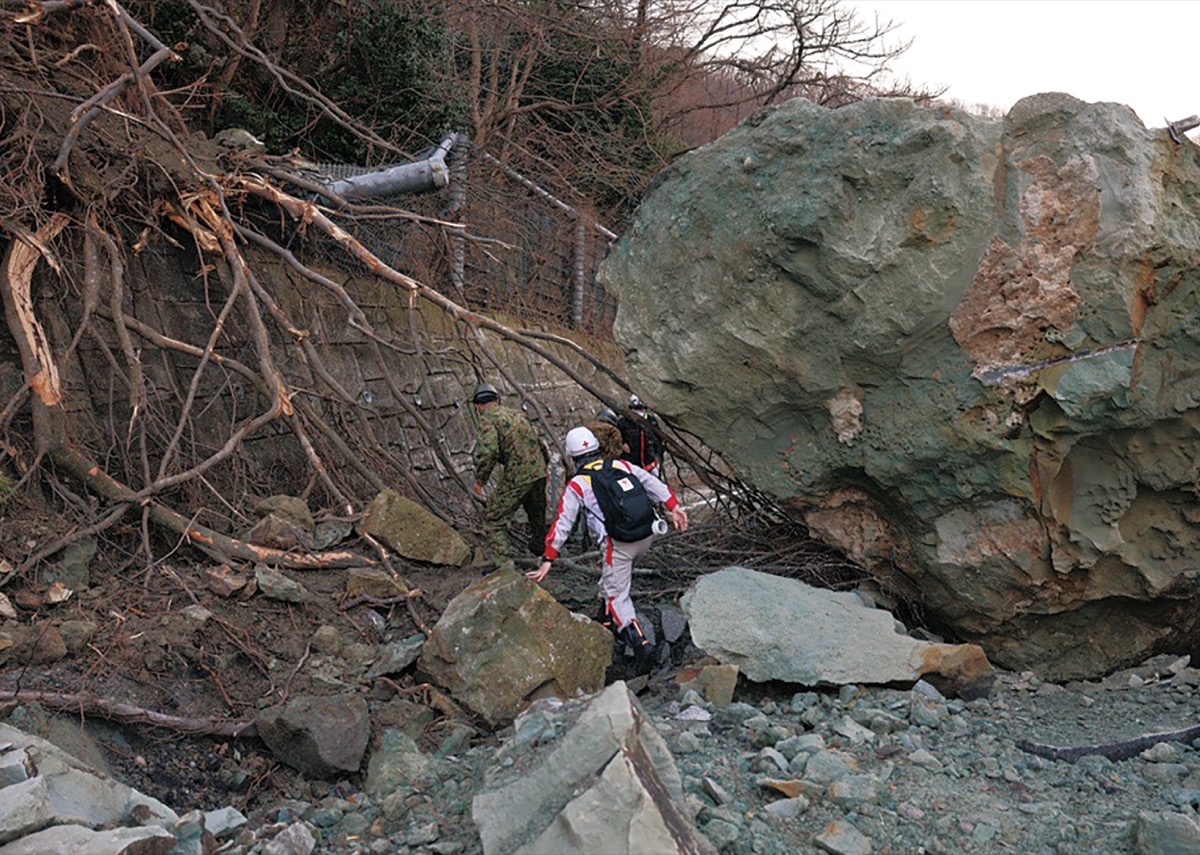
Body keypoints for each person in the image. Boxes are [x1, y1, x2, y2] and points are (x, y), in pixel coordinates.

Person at [528, 426, 687, 673]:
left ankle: (641, 643)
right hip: (647, 534)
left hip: (619, 544)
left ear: (572, 457)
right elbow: (653, 483)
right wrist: (675, 507)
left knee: (617, 595)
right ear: (596, 448)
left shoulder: (578, 484)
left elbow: (563, 523)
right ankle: (604, 619)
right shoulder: (621, 466)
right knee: (610, 576)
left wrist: (549, 557)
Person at [470, 382, 549, 573]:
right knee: (537, 514)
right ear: (497, 399)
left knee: (493, 520)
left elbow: (488, 452)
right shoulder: (517, 414)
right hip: (538, 471)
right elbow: (540, 443)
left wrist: (480, 481)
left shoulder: (487, 418)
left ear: (478, 406)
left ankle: (505, 568)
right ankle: (542, 551)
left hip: (518, 475)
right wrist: (543, 467)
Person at [617, 394, 662, 474]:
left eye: (641, 409)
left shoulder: (651, 421)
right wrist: (622, 444)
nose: (639, 412)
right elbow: (615, 437)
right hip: (631, 463)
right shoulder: (623, 422)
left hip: (649, 462)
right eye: (636, 409)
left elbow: (659, 440)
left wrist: (658, 455)